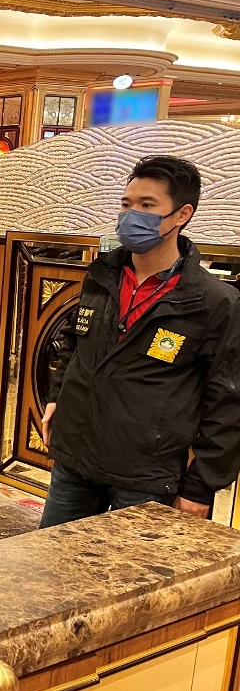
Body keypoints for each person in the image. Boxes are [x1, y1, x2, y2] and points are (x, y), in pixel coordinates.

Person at [40, 155, 240, 528]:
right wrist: (56, 398)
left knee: (129, 567)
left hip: (145, 476)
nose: (131, 215)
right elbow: (73, 341)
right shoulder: (102, 275)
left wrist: (200, 486)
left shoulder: (214, 302)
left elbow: (228, 403)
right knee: (51, 562)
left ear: (182, 214)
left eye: (147, 205)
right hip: (75, 459)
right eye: (126, 204)